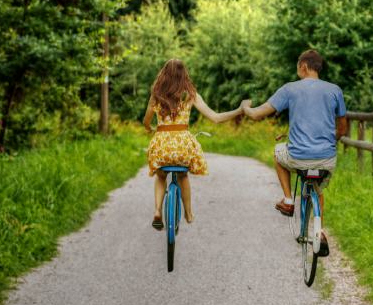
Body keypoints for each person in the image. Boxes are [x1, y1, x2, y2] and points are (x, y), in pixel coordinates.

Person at [242, 50, 348, 245]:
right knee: (318, 190)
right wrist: (328, 141)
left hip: (298, 157)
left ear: (304, 66)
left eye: (298, 67)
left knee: (278, 152)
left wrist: (245, 107)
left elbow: (256, 114)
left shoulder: (289, 89)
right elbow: (342, 129)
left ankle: (288, 200)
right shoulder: (335, 90)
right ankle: (320, 232)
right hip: (326, 159)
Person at [143, 59, 245, 229]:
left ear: (164, 75)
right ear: (184, 75)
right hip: (183, 147)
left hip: (162, 146)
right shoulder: (190, 95)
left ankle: (157, 210)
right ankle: (189, 213)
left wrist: (150, 128)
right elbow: (216, 118)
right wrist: (239, 110)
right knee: (183, 176)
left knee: (161, 176)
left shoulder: (156, 95)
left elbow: (146, 120)